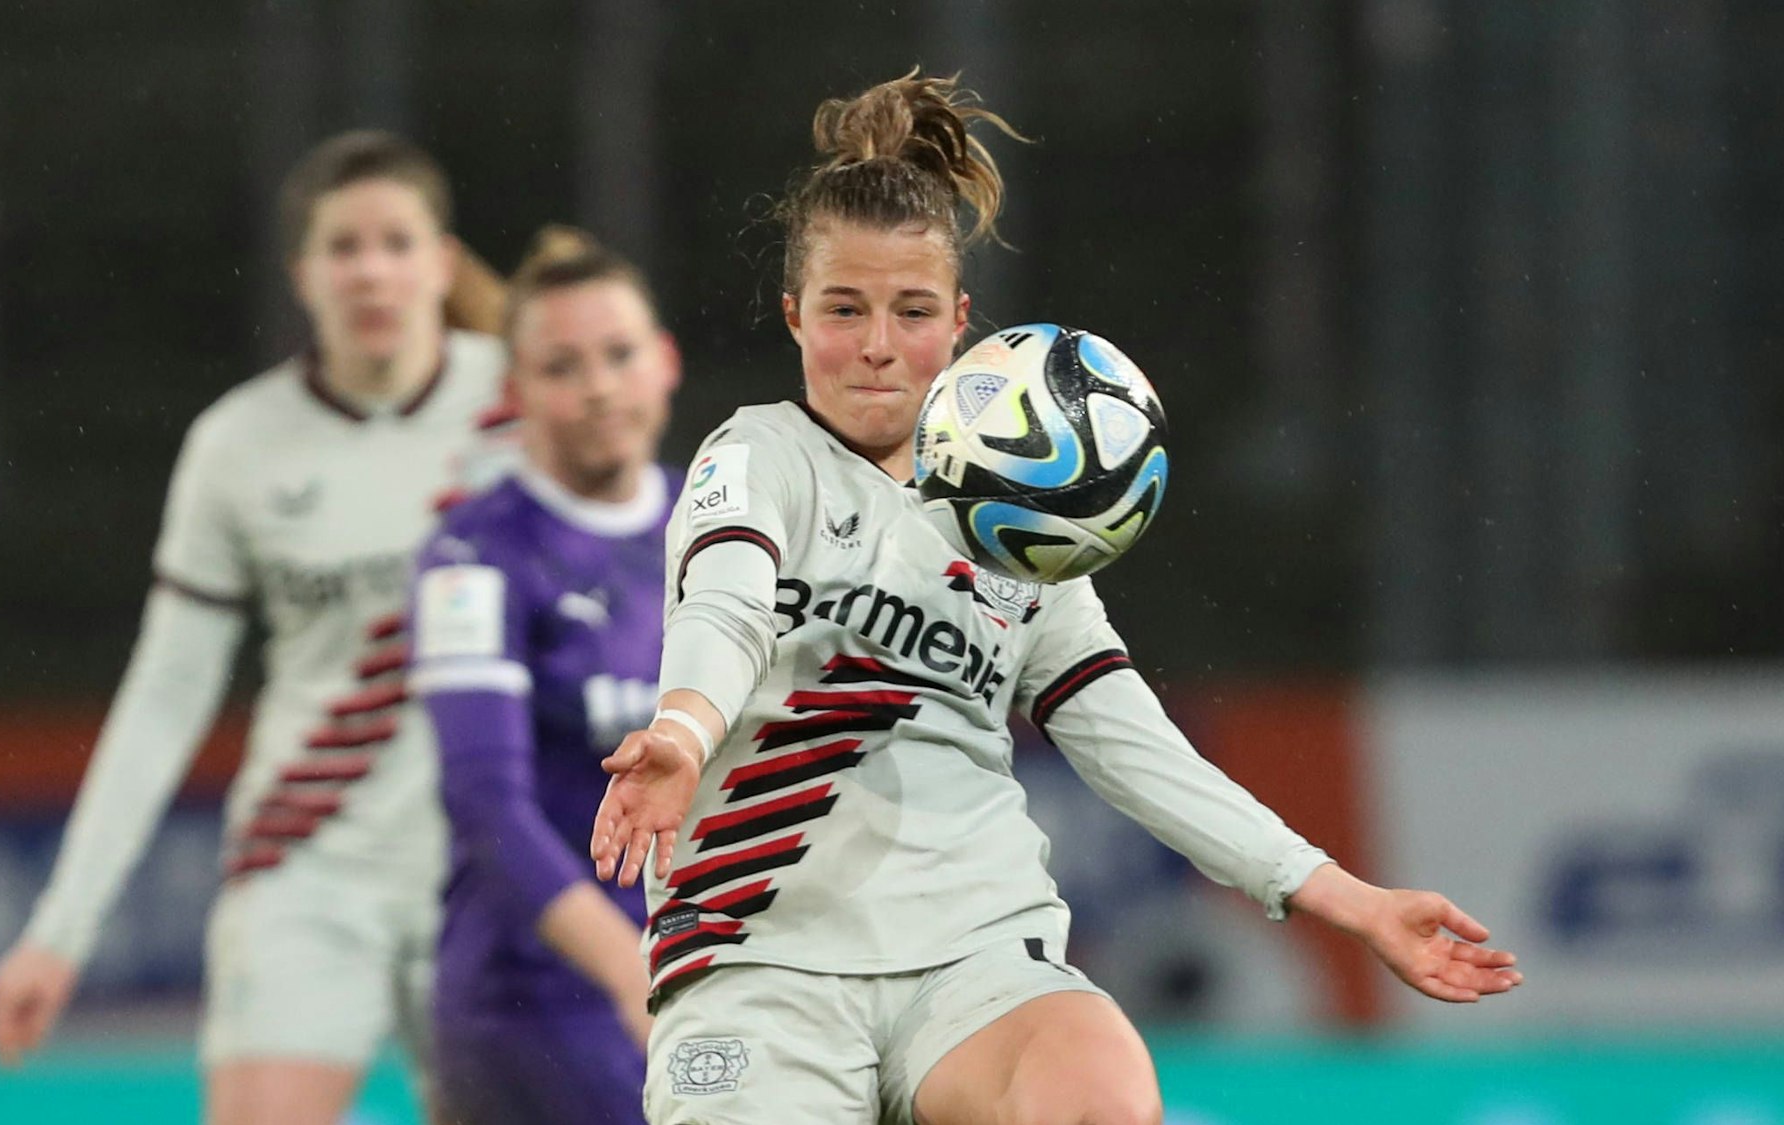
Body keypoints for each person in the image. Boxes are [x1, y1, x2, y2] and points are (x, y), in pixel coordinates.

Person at [590, 71, 1523, 1125]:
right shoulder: (756, 457)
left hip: (971, 959)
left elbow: (1132, 745)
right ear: (794, 314)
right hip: (760, 963)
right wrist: (680, 729)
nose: (878, 346)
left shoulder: (1019, 520)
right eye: (844, 310)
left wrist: (1350, 903)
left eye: (911, 311)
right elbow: (725, 604)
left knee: (1096, 1092)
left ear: (960, 322)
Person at [0, 129, 517, 1125]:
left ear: (440, 263)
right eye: (343, 247)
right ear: (301, 274)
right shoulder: (237, 446)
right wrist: (59, 929)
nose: (370, 270)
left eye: (396, 242)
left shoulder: (525, 408)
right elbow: (167, 694)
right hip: (305, 869)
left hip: (495, 869)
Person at [411, 226, 678, 1125]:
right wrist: (632, 974)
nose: (599, 385)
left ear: (665, 361)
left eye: (619, 354)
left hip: (700, 983)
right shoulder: (474, 559)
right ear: (516, 391)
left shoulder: (729, 529)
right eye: (562, 366)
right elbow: (486, 803)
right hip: (536, 1001)